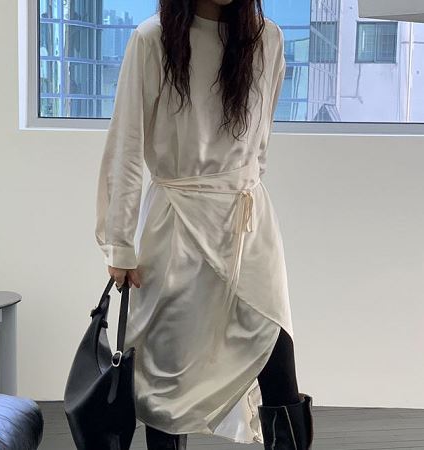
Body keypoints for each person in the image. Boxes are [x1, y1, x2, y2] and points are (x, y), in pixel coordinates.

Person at [95, 0, 314, 448]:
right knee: (166, 378)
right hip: (176, 225)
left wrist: (240, 185)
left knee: (276, 360)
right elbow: (127, 145)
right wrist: (119, 242)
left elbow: (261, 141)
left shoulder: (267, 39)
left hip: (247, 226)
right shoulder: (152, 39)